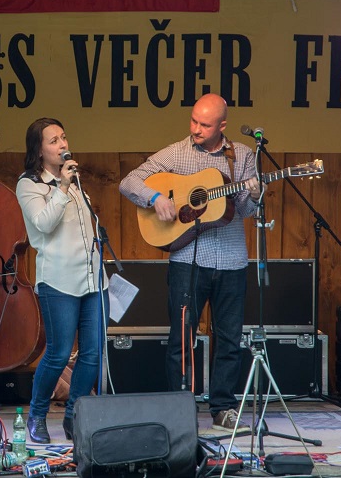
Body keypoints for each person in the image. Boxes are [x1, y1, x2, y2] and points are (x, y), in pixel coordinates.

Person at [119, 93, 260, 433]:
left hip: (231, 261)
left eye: (205, 124)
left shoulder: (241, 155)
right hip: (186, 261)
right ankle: (180, 408)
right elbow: (128, 182)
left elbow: (239, 210)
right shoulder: (176, 153)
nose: (196, 128)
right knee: (181, 338)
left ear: (222, 126)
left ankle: (223, 408)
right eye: (194, 120)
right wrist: (154, 198)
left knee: (229, 338)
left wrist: (254, 195)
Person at [16, 117, 108, 443]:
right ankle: (37, 415)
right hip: (58, 281)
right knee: (57, 353)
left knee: (93, 353)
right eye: (54, 140)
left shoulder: (76, 181)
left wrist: (71, 185)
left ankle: (74, 417)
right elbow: (43, 225)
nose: (62, 145)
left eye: (64, 137)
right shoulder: (29, 184)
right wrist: (63, 188)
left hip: (93, 279)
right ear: (39, 150)